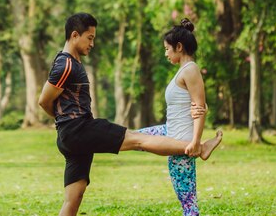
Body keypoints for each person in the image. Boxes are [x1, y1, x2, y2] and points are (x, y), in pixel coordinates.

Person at [38, 13, 222, 216]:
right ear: (74, 35)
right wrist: (65, 123)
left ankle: (196, 146)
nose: (92, 43)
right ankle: (199, 148)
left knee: (73, 197)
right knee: (138, 139)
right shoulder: (66, 64)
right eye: (89, 38)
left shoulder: (73, 62)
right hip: (78, 129)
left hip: (72, 136)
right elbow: (44, 101)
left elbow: (198, 103)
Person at [137, 18, 223, 216]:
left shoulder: (191, 70)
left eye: (167, 49)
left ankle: (201, 147)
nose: (165, 53)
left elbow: (199, 108)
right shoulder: (184, 71)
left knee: (188, 202)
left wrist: (194, 142)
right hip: (170, 131)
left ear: (179, 47)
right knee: (134, 138)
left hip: (182, 141)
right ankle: (204, 148)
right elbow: (196, 106)